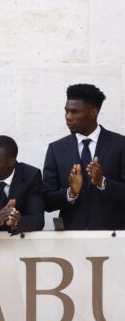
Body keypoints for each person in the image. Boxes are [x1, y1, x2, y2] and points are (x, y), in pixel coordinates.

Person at [43, 84, 125, 230]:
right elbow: (47, 202)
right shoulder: (56, 149)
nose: (68, 117)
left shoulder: (120, 145)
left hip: (113, 237)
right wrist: (71, 192)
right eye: (66, 111)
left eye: (75, 112)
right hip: (71, 237)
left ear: (94, 112)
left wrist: (103, 182)